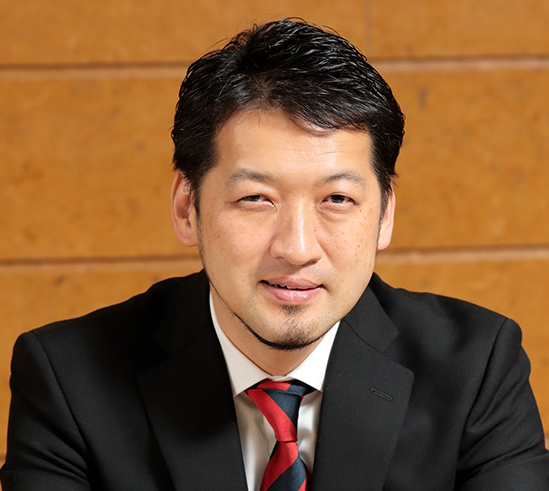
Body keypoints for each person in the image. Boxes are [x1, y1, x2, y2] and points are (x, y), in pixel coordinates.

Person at [1, 18, 548, 491]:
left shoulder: (476, 368)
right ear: (187, 207)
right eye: (256, 199)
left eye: (337, 200)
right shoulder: (69, 381)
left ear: (384, 215)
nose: (297, 248)